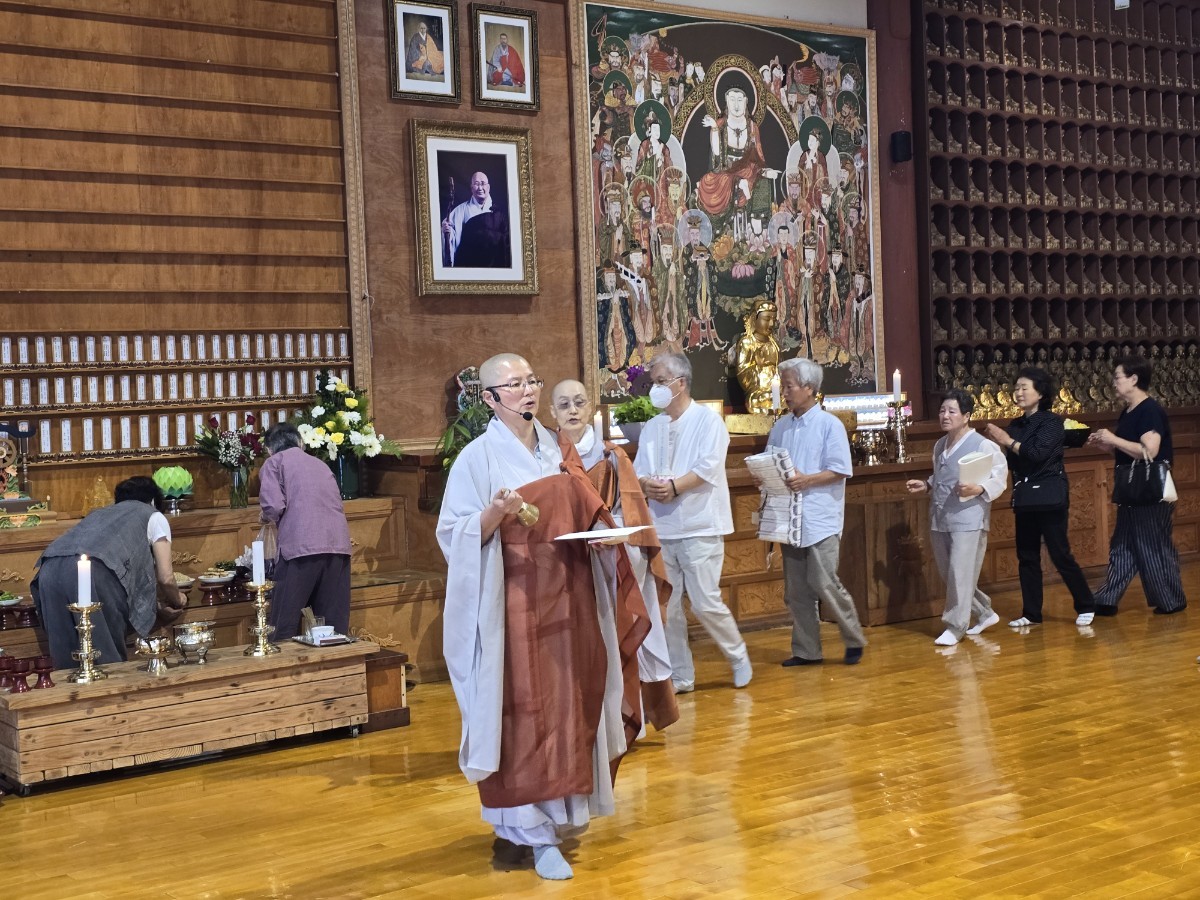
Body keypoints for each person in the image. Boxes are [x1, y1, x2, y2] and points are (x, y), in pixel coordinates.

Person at [437, 353, 652, 881]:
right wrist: (496, 512)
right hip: (513, 601)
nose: (528, 390)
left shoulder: (559, 449)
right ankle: (530, 829)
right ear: (490, 398)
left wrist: (603, 535)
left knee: (569, 700)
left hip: (569, 592)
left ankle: (559, 817)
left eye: (532, 380)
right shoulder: (476, 458)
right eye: (514, 384)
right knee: (522, 707)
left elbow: (585, 508)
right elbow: (454, 533)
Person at [549, 379, 678, 734]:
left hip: (612, 561)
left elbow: (631, 514)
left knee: (617, 637)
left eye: (579, 402)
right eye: (564, 405)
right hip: (566, 564)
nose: (573, 411)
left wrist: (610, 535)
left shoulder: (612, 456)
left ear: (590, 407)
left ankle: (621, 724)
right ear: (552, 412)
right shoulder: (545, 457)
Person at [632, 352, 752, 692]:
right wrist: (648, 485)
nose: (654, 388)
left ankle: (738, 655)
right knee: (668, 605)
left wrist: (673, 487)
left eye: (660, 381)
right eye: (653, 382)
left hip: (701, 525)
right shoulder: (653, 426)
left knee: (704, 602)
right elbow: (639, 471)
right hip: (662, 527)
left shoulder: (708, 421)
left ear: (680, 383)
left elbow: (708, 467)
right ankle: (682, 674)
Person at [762, 358, 866, 665]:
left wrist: (807, 479)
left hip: (820, 518)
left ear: (809, 388)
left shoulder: (829, 425)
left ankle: (853, 636)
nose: (785, 393)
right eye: (784, 386)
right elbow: (770, 461)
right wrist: (763, 475)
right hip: (790, 518)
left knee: (824, 582)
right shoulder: (781, 426)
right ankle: (806, 651)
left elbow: (841, 469)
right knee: (796, 590)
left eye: (789, 386)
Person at [31, 476, 188, 668]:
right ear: (154, 501)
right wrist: (177, 599)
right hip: (95, 571)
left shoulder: (100, 513)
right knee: (105, 658)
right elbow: (166, 578)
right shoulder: (153, 515)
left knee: (66, 659)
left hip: (49, 570)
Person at [984, 367, 1096, 628]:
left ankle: (1085, 604)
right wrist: (1000, 446)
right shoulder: (1016, 425)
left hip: (1049, 493)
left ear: (1041, 393)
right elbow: (1014, 462)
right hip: (1025, 495)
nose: (1018, 392)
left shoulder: (1052, 422)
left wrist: (1006, 441)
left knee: (1060, 553)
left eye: (1024, 388)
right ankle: (1032, 613)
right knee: (1027, 555)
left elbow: (1037, 454)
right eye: (1016, 388)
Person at [906, 389, 1008, 645]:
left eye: (952, 411)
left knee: (959, 573)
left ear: (966, 416)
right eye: (942, 410)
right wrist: (927, 485)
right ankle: (984, 613)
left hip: (969, 518)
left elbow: (999, 477)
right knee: (950, 574)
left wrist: (979, 488)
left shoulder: (983, 445)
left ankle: (955, 626)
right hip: (940, 516)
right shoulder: (940, 444)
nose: (945, 416)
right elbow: (942, 475)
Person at [1088, 355, 1186, 615]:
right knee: (1122, 545)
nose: (1114, 382)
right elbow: (1130, 451)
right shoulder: (1128, 411)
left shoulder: (1149, 410)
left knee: (1152, 545)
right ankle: (1106, 599)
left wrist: (1114, 439)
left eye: (1117, 377)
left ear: (1133, 379)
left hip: (1150, 491)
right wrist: (1108, 446)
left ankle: (1171, 600)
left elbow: (1149, 451)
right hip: (1132, 489)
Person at [258, 423, 352, 639]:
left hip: (300, 548)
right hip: (337, 545)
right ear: (301, 443)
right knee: (331, 626)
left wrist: (264, 516)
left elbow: (274, 506)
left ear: (269, 450)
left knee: (283, 624)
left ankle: (283, 661)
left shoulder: (274, 462)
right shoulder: (320, 464)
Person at [441, 171, 511, 268]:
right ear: (471, 188)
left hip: (494, 265)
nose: (480, 188)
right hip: (469, 265)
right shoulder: (461, 210)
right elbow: (450, 232)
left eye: (483, 184)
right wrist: (447, 230)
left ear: (488, 187)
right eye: (476, 184)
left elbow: (506, 243)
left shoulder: (498, 212)